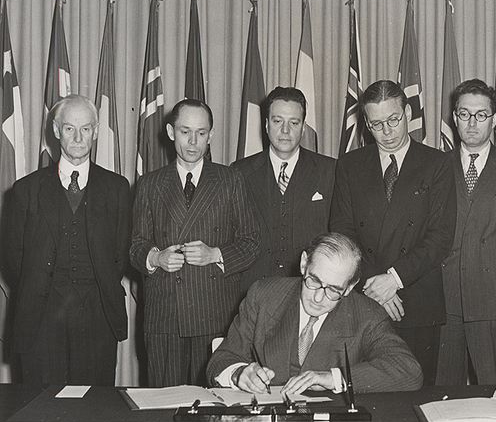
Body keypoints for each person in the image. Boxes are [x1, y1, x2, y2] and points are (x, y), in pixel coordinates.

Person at [330, 80, 456, 385]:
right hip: (363, 299)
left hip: (416, 301)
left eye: (393, 120)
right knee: (364, 393)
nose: (387, 132)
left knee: (415, 393)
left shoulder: (437, 163)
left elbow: (440, 238)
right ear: (366, 125)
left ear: (408, 113)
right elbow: (342, 232)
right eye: (376, 124)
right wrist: (376, 287)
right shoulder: (350, 165)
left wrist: (394, 280)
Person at [130, 98, 259, 387]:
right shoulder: (150, 184)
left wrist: (215, 254)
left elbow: (251, 243)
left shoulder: (230, 180)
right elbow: (135, 246)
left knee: (212, 410)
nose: (193, 141)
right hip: (165, 317)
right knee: (164, 410)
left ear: (211, 135)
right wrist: (155, 257)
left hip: (214, 315)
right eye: (185, 131)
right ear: (170, 132)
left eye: (201, 133)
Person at [3, 95, 130, 386]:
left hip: (98, 320)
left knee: (93, 413)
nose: (78, 137)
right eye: (70, 128)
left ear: (96, 131)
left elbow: (119, 257)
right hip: (40, 321)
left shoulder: (117, 189)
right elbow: (12, 261)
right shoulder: (26, 190)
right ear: (56, 131)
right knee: (41, 412)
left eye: (86, 129)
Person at [207, 232, 423, 394]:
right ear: (303, 264)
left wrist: (334, 378)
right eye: (314, 281)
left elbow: (409, 371)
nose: (318, 298)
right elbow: (222, 359)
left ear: (349, 287)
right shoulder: (264, 296)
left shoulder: (367, 314)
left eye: (334, 290)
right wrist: (239, 374)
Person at [436, 79, 496, 385]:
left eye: (481, 115)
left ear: (493, 120)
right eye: (464, 114)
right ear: (454, 118)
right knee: (443, 398)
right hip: (445, 305)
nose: (472, 123)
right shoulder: (436, 168)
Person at [232, 87, 336, 294]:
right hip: (253, 292)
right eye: (278, 121)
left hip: (311, 291)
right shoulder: (239, 172)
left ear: (304, 127)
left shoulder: (330, 171)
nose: (285, 131)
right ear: (266, 124)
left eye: (294, 123)